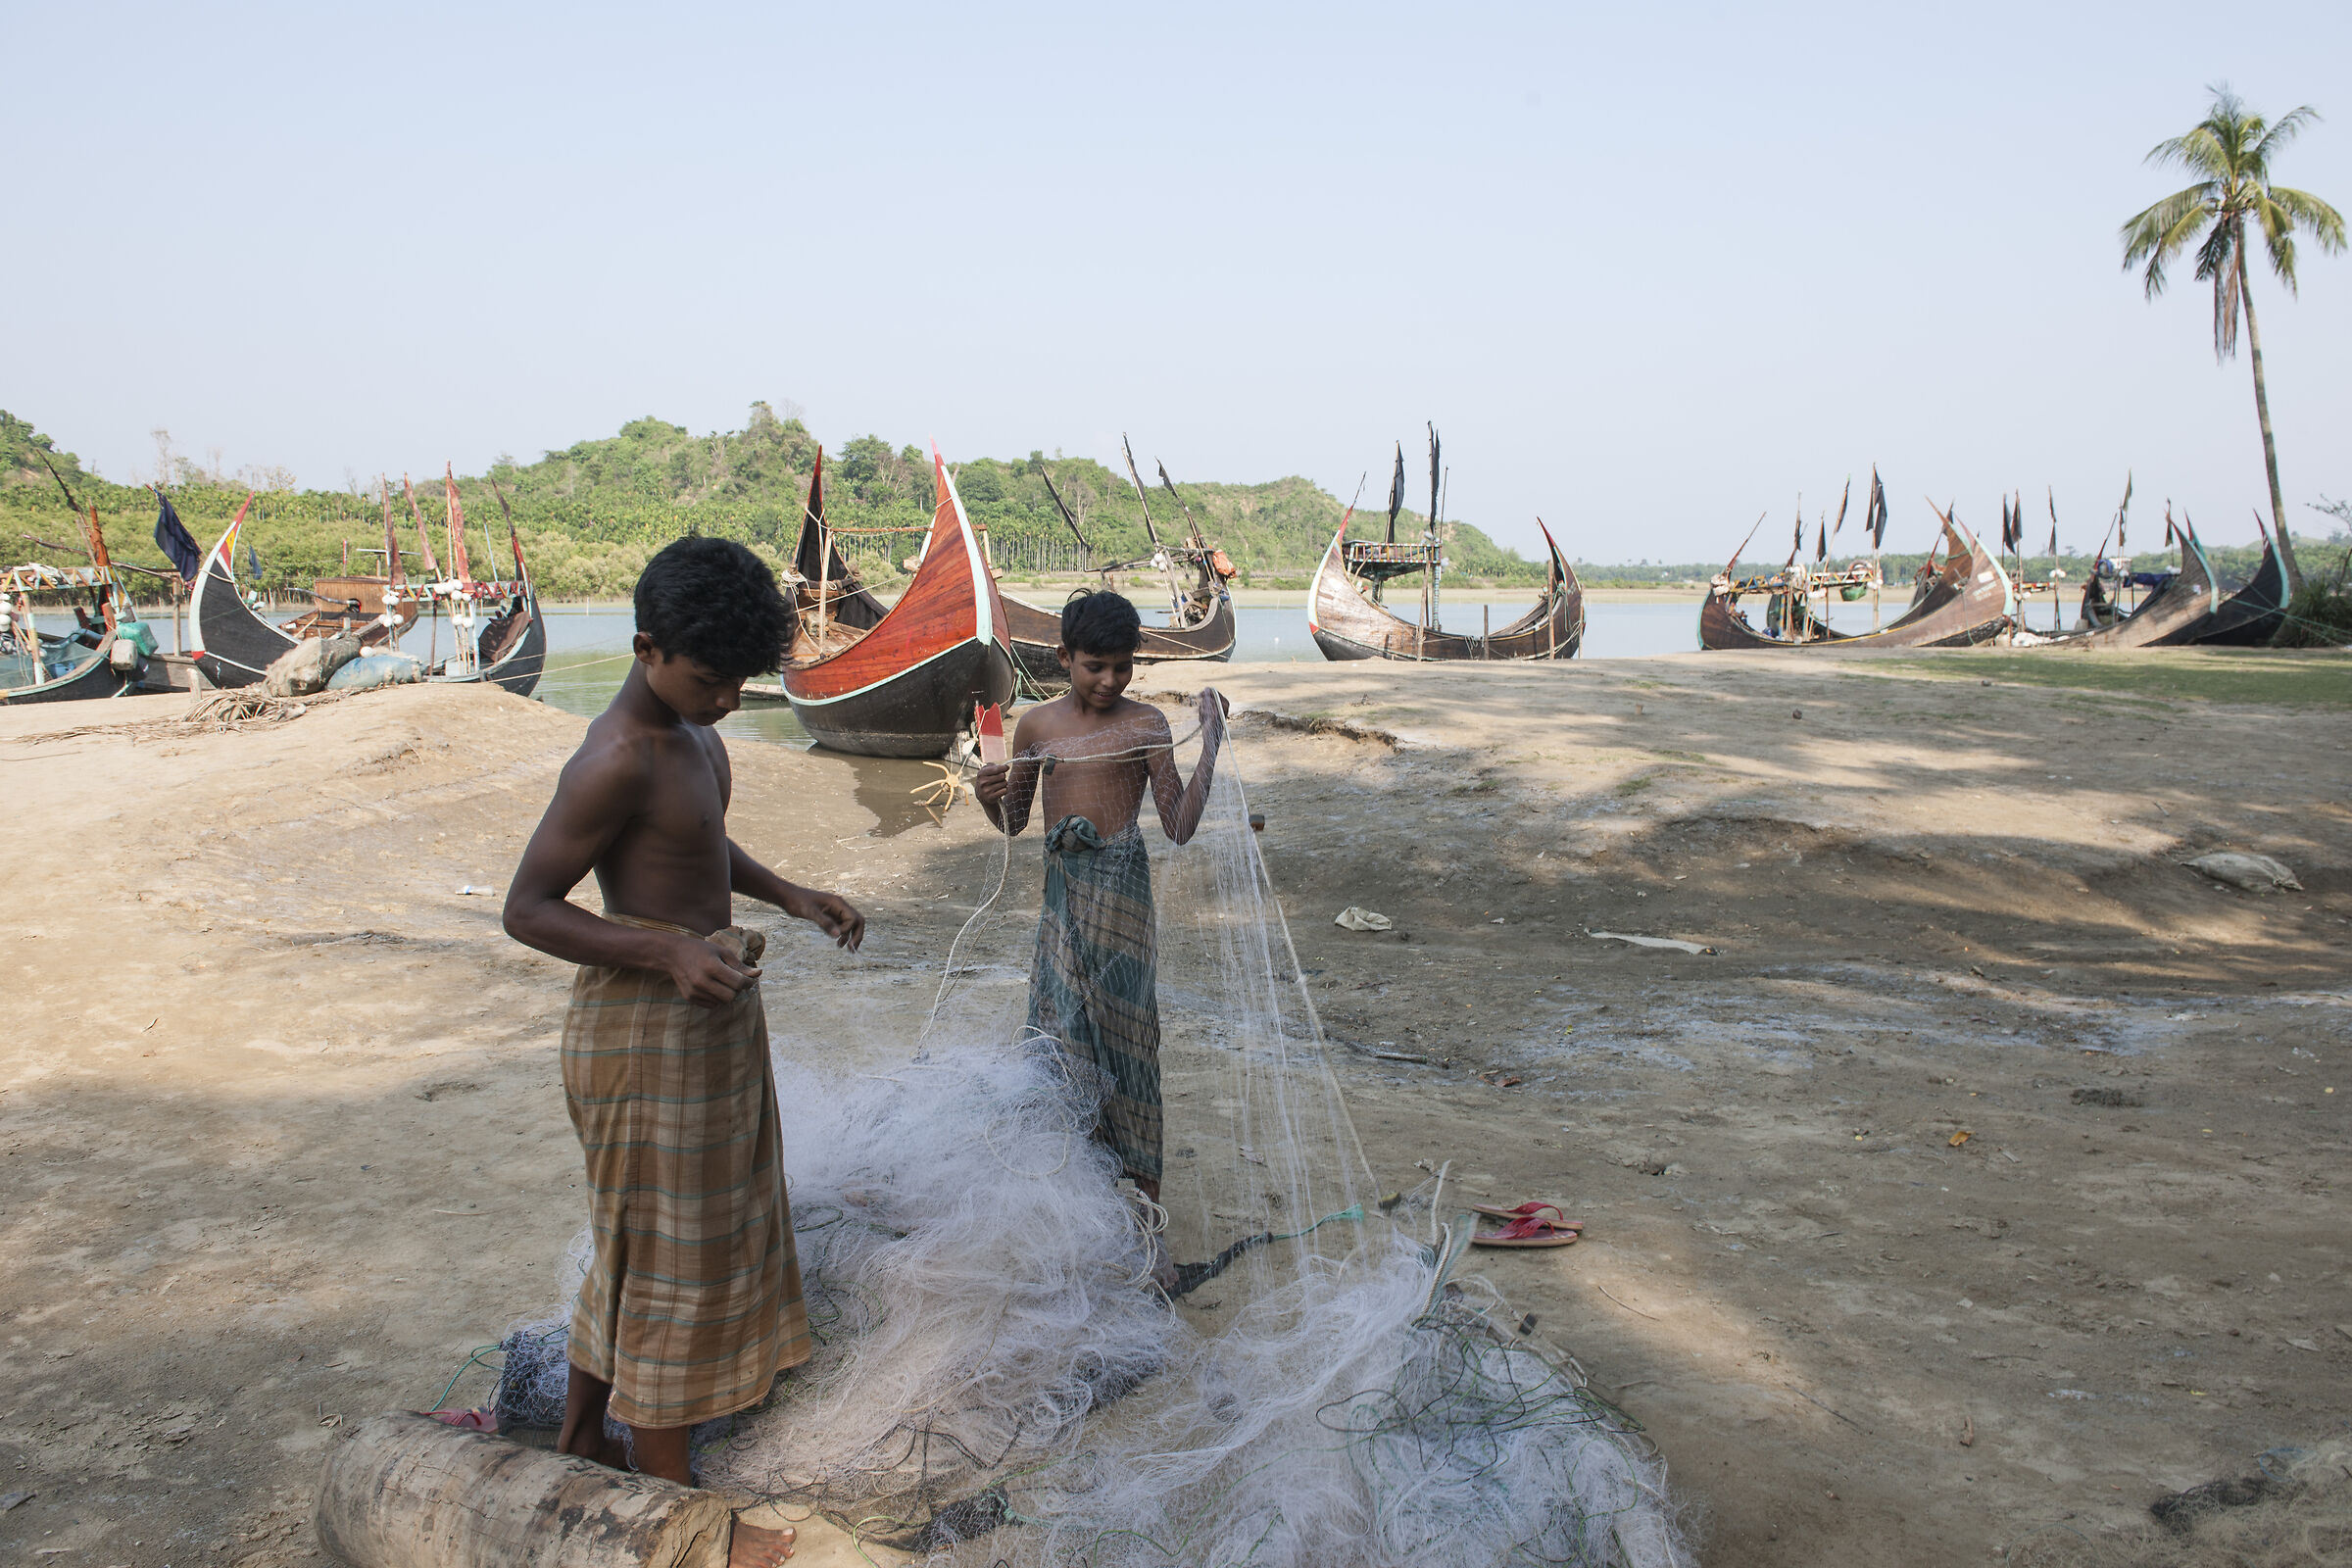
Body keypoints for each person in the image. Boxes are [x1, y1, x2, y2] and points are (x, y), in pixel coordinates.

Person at [503, 537, 863, 1567]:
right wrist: (662, 951)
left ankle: (582, 1431)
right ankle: (674, 1499)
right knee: (669, 1259)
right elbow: (527, 909)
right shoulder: (615, 752)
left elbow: (700, 841)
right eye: (711, 680)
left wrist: (788, 893)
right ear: (646, 647)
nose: (727, 698)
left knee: (639, 1240)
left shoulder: (697, 736)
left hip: (704, 1008)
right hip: (641, 1030)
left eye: (742, 680)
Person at [973, 590, 1226, 1209]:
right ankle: (1078, 1191)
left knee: (1132, 1037)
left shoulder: (1145, 724)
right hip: (1063, 906)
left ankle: (1144, 1194)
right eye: (1095, 666)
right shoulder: (1035, 726)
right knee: (1062, 1036)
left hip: (1124, 904)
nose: (1110, 680)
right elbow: (1012, 822)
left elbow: (1178, 825)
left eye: (1123, 666)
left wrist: (1212, 746)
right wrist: (987, 795)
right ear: (1064, 658)